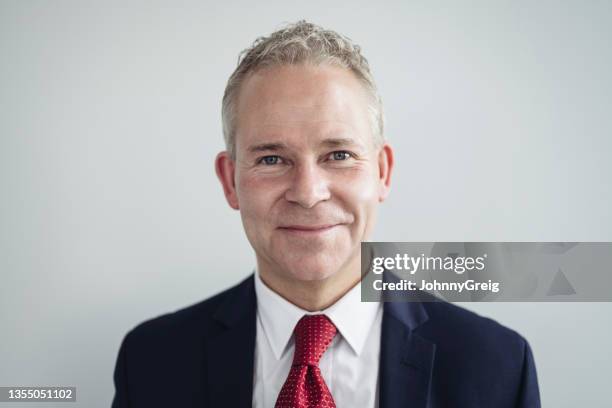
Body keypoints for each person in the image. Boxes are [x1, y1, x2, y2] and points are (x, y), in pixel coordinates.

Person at [111, 20, 540, 408]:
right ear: (230, 181)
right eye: (272, 160)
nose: (309, 193)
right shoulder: (150, 363)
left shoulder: (497, 367)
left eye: (338, 154)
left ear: (382, 172)